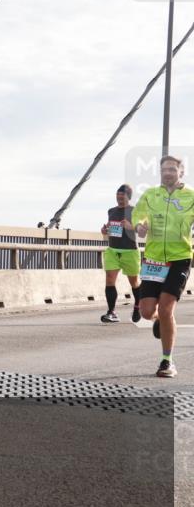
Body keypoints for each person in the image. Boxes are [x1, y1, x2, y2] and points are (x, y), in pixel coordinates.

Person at [133, 155, 194, 378]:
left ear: (181, 172)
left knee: (167, 308)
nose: (167, 173)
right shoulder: (151, 194)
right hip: (154, 259)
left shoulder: (191, 196)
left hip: (180, 258)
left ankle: (167, 361)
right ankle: (159, 319)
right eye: (164, 170)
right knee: (147, 312)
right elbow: (138, 214)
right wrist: (139, 226)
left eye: (172, 169)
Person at [99, 184, 142, 323]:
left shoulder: (135, 211)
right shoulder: (111, 211)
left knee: (134, 282)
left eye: (122, 196)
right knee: (109, 279)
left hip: (130, 251)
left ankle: (137, 306)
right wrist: (105, 231)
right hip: (113, 250)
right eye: (117, 195)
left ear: (129, 197)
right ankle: (111, 312)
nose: (119, 198)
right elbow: (110, 228)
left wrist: (131, 226)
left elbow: (142, 229)